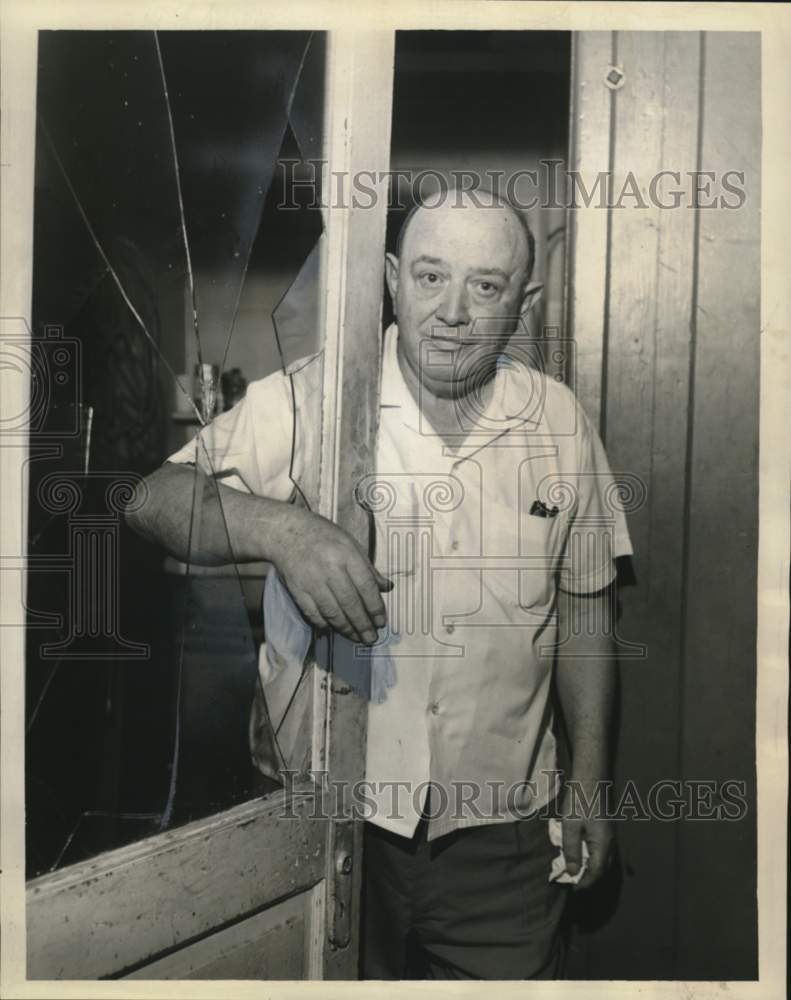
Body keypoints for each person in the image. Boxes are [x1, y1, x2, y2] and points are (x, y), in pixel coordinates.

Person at [126, 186, 632, 980]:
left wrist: (590, 784)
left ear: (523, 303)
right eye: (430, 277)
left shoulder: (559, 423)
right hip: (323, 826)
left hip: (502, 835)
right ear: (392, 278)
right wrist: (280, 529)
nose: (453, 311)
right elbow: (151, 500)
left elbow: (586, 606)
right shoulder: (310, 397)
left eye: (486, 285)